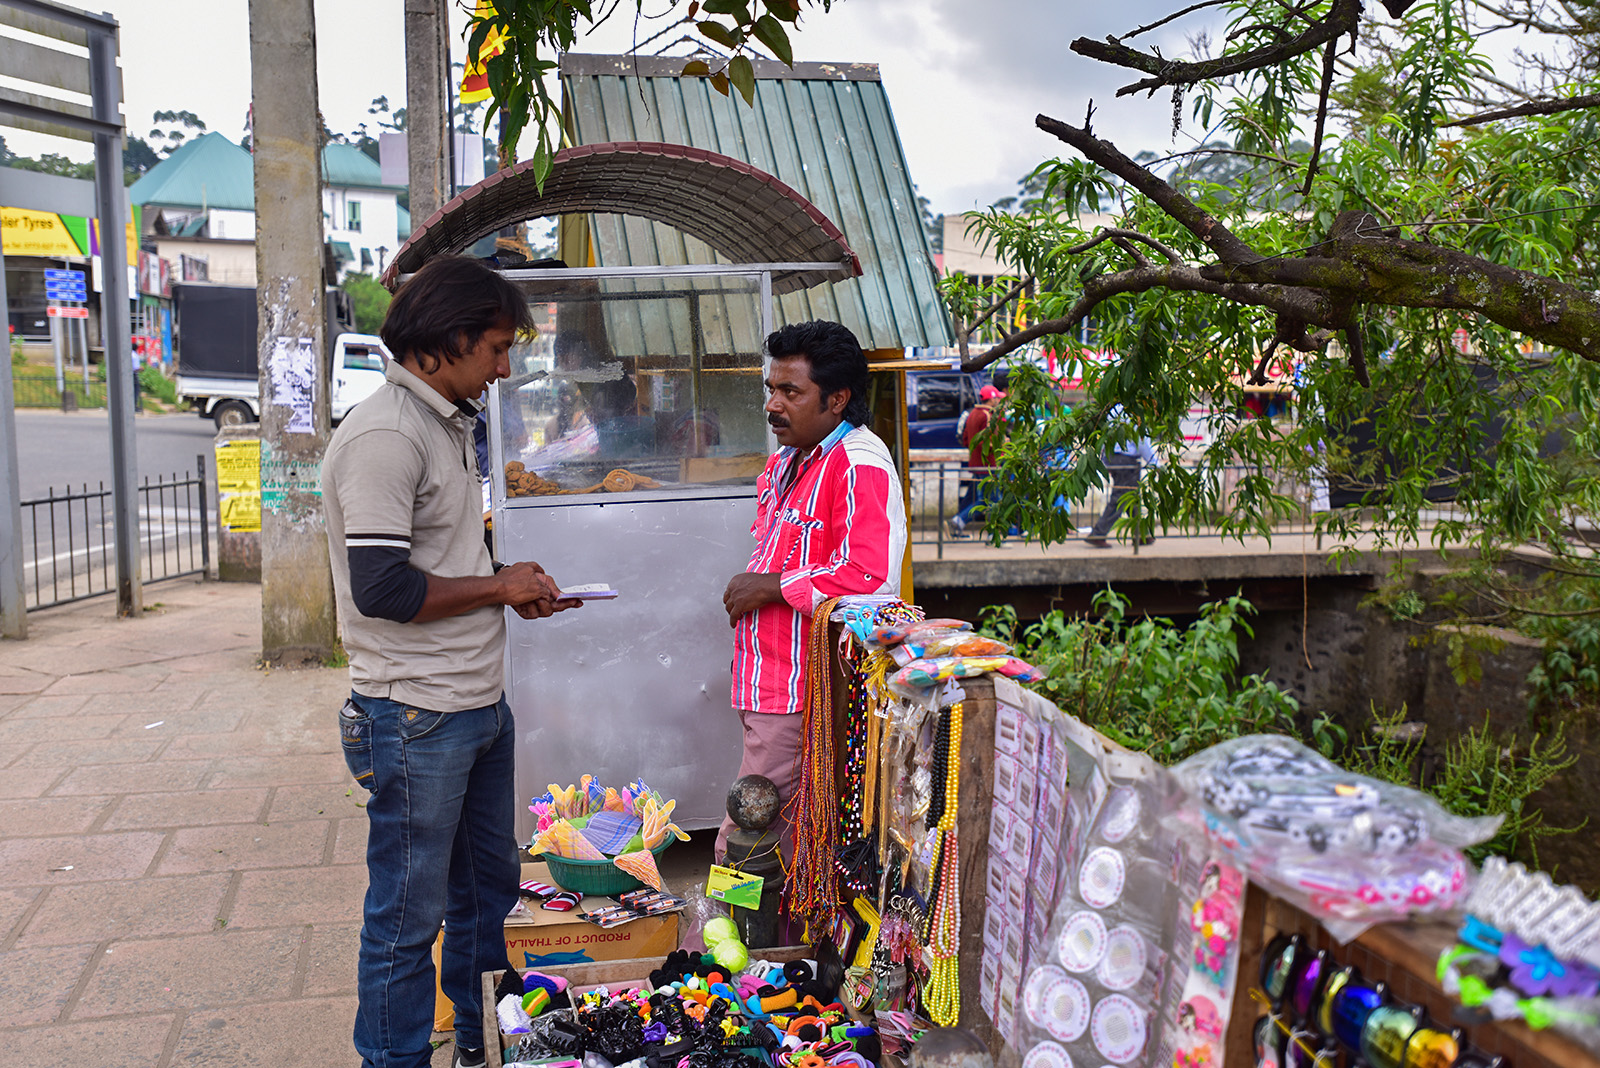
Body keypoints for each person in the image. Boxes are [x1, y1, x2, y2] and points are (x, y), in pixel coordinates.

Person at [321, 254, 580, 1068]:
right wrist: (495, 586)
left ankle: (480, 1046)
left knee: (486, 903)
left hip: (473, 705)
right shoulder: (386, 436)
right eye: (497, 348)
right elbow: (384, 588)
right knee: (407, 922)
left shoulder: (443, 420)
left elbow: (440, 554)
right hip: (414, 715)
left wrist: (507, 587)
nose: (506, 367)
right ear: (450, 339)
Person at [718, 320, 907, 861]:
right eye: (770, 390)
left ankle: (731, 941)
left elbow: (869, 577)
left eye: (790, 392)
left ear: (837, 399)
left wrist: (771, 587)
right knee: (783, 834)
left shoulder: (858, 462)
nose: (772, 405)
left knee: (748, 836)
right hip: (767, 684)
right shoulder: (793, 459)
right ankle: (775, 942)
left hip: (800, 693)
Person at [1084, 408, 1159, 547]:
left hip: (1115, 458)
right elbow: (1142, 443)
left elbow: (1106, 436)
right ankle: (1098, 533)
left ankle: (1142, 534)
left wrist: (1107, 460)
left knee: (1132, 499)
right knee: (1121, 498)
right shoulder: (1135, 414)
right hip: (1127, 461)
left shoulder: (1114, 410)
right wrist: (1156, 464)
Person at [948, 383, 1006, 538]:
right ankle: (962, 522)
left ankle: (960, 522)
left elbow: (967, 439)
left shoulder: (973, 413)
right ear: (992, 399)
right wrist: (1002, 444)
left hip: (976, 463)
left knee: (983, 497)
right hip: (988, 464)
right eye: (997, 399)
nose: (998, 402)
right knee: (991, 500)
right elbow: (988, 442)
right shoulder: (988, 415)